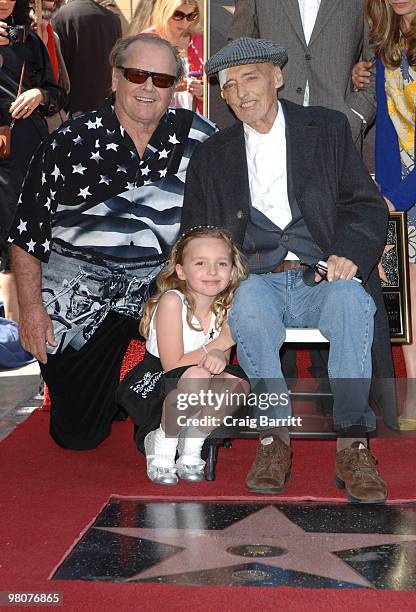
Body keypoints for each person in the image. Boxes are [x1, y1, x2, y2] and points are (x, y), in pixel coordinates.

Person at [181, 37, 395, 503]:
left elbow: (365, 207)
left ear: (278, 78)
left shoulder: (328, 129)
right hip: (257, 278)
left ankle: (353, 444)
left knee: (351, 302)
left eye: (251, 78)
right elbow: (193, 233)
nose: (241, 93)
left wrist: (349, 252)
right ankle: (273, 439)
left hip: (324, 274)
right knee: (250, 305)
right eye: (229, 85)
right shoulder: (211, 156)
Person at [8, 33, 217, 450]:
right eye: (137, 74)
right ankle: (118, 395)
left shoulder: (200, 139)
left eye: (161, 79)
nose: (148, 87)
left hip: (161, 286)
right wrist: (31, 311)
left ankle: (156, 410)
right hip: (79, 290)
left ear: (175, 86)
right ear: (115, 77)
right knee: (78, 436)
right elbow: (25, 234)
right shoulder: (68, 143)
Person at [228, 0, 377, 403]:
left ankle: (349, 424)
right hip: (267, 120)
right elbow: (238, 45)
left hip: (333, 128)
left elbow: (375, 56)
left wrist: (354, 116)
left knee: (338, 269)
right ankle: (273, 425)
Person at [117, 227, 249, 484]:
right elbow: (172, 364)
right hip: (158, 386)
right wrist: (219, 344)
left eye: (221, 263)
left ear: (232, 271)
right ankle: (162, 450)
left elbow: (221, 357)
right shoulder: (172, 301)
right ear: (180, 270)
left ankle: (190, 450)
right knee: (198, 375)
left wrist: (221, 356)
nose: (212, 271)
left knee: (237, 384)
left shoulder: (228, 306)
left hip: (197, 384)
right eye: (200, 263)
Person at [352, 0, 416, 430]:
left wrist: (405, 193)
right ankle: (413, 389)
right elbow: (389, 129)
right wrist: (390, 196)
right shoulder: (385, 49)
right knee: (411, 294)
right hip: (403, 183)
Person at [0, 0, 66, 322]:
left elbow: (59, 93)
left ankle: (13, 332)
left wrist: (39, 94)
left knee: (17, 233)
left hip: (24, 150)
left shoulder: (31, 41)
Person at [52, 0, 122, 115]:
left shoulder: (60, 17)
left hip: (73, 107)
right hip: (107, 107)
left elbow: (56, 67)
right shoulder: (113, 19)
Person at [140, 0, 204, 113]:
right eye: (178, 15)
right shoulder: (145, 41)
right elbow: (135, 83)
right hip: (154, 118)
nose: (184, 22)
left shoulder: (202, 42)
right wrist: (170, 86)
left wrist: (204, 92)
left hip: (196, 122)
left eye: (191, 16)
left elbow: (217, 87)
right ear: (165, 11)